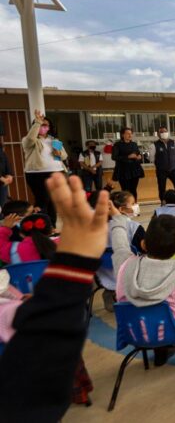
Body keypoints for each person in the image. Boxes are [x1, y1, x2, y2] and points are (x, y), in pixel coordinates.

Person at [0, 173, 110, 422]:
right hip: (48, 309)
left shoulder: (13, 249)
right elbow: (78, 242)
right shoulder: (59, 243)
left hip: (28, 306)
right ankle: (79, 390)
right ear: (50, 228)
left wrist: (4, 230)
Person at [114, 212, 175, 365]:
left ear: (143, 244)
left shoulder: (124, 264)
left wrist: (118, 218)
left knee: (157, 309)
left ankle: (161, 352)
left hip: (135, 333)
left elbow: (119, 244)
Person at [22, 110, 68, 226]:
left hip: (56, 172)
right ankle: (41, 225)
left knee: (52, 200)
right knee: (43, 200)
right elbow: (30, 139)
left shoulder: (54, 140)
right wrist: (38, 121)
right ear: (35, 126)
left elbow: (64, 155)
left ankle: (51, 225)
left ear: (49, 127)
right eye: (41, 124)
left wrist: (59, 154)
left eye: (45, 125)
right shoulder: (29, 140)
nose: (43, 127)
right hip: (37, 174)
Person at [148, 125, 175, 203]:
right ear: (158, 134)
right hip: (161, 171)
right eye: (161, 132)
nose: (164, 133)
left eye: (165, 131)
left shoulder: (174, 143)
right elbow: (152, 158)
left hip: (173, 169)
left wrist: (173, 162)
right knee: (162, 188)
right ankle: (163, 204)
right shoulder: (154, 145)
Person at [111, 127, 144, 200]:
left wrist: (139, 157)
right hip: (123, 170)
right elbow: (114, 157)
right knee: (125, 190)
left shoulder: (134, 144)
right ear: (123, 135)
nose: (130, 135)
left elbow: (138, 153)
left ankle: (134, 205)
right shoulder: (117, 145)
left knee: (133, 189)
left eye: (131, 134)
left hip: (134, 169)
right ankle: (126, 205)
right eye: (128, 134)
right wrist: (128, 156)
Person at [0, 144, 14, 209]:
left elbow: (6, 163)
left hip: (2, 183)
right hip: (2, 180)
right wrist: (1, 178)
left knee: (3, 205)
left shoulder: (2, 152)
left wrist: (10, 175)